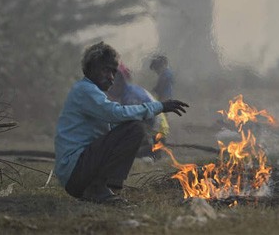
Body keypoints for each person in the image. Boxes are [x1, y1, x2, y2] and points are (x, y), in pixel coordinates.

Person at [54, 42, 189, 204]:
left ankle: (101, 187)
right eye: (106, 70)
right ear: (90, 69)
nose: (111, 77)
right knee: (134, 128)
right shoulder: (85, 90)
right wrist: (159, 106)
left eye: (113, 72)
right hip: (74, 172)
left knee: (133, 127)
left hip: (76, 172)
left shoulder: (90, 92)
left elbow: (112, 125)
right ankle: (98, 188)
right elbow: (115, 113)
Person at [106, 63, 170, 160]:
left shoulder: (131, 99)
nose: (108, 92)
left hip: (156, 134)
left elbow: (143, 124)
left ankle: (151, 154)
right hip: (155, 129)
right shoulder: (128, 91)